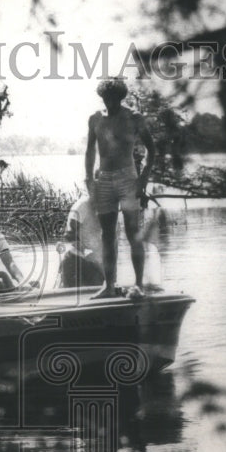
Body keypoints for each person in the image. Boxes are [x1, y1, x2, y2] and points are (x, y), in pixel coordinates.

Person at [85, 77, 156, 299]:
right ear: (102, 98)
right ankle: (109, 286)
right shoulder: (95, 119)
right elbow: (90, 151)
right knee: (107, 234)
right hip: (103, 179)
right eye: (106, 99)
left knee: (133, 232)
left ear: (121, 97)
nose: (110, 103)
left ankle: (138, 286)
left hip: (128, 178)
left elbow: (152, 150)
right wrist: (89, 179)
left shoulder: (134, 118)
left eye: (114, 99)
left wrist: (143, 179)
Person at [59, 194, 105, 288]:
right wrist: (85, 254)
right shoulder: (83, 205)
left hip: (96, 264)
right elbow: (70, 235)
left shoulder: (108, 206)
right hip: (76, 261)